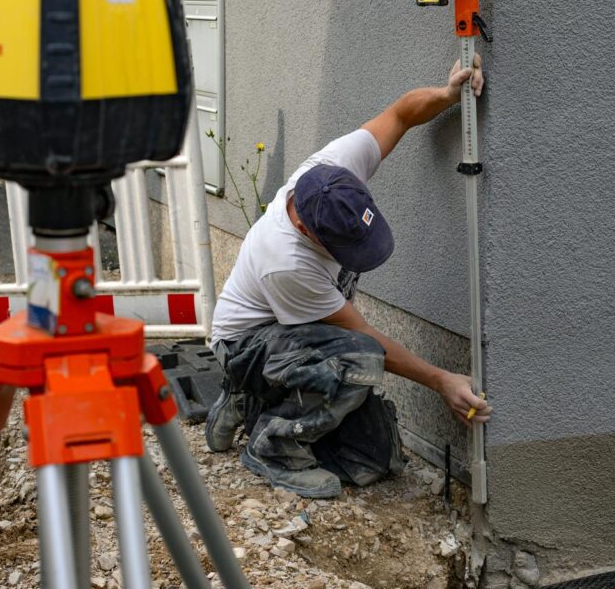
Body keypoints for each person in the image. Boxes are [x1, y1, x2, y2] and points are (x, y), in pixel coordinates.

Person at [206, 57, 492, 498]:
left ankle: (260, 403)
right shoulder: (285, 260)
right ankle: (271, 444)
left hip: (297, 336)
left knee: (374, 460)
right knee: (359, 360)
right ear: (305, 228)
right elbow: (367, 342)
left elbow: (400, 114)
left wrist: (445, 94)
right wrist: (442, 380)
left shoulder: (332, 173)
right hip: (247, 344)